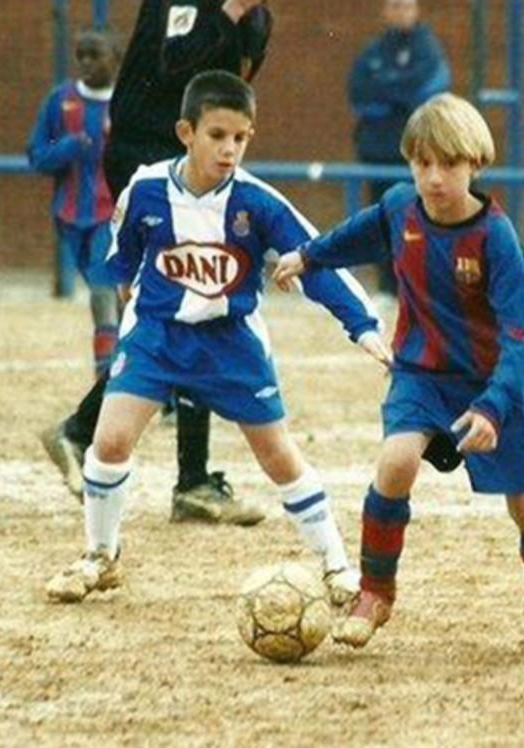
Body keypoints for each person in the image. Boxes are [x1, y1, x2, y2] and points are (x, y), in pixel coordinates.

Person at [44, 70, 389, 606]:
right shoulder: (146, 189)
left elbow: (316, 260)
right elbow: (123, 250)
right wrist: (130, 288)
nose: (230, 149)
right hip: (158, 334)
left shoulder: (258, 202)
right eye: (217, 135)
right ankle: (99, 556)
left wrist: (362, 326)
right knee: (109, 441)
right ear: (186, 132)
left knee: (278, 455)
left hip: (231, 342)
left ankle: (336, 566)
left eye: (240, 137)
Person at [273, 93, 524, 656]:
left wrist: (493, 408)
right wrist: (309, 255)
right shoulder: (400, 207)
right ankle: (374, 594)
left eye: (449, 163)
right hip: (421, 375)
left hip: (492, 386)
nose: (434, 177)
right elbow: (357, 235)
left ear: (476, 164)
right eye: (422, 163)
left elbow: (519, 341)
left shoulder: (497, 239)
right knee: (395, 463)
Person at [40, 0, 275, 525]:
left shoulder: (256, 17)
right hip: (146, 155)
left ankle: (111, 443)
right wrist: (228, 15)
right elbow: (174, 65)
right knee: (191, 305)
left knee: (198, 305)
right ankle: (182, 477)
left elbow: (229, 96)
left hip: (192, 162)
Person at [28, 28, 123, 379]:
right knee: (110, 295)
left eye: (94, 55)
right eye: (80, 55)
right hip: (70, 216)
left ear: (115, 59)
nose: (85, 62)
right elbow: (38, 156)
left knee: (103, 287)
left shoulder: (127, 102)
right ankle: (135, 367)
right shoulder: (60, 101)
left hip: (114, 216)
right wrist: (67, 147)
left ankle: (105, 378)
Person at [348, 0, 450, 299]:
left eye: (406, 6)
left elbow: (426, 91)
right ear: (385, 11)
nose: (401, 12)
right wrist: (397, 92)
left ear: (416, 10)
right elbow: (359, 92)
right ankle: (387, 286)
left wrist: (388, 87)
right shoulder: (373, 51)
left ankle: (420, 288)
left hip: (418, 151)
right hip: (377, 150)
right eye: (395, 6)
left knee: (420, 219)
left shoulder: (429, 50)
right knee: (382, 218)